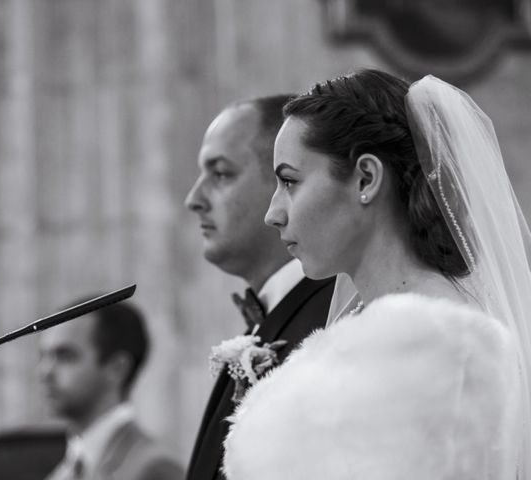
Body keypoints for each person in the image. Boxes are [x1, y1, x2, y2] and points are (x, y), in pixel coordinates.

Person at [222, 70, 531, 480]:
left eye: (290, 182)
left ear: (366, 178)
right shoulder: (360, 323)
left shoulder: (441, 344)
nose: (273, 213)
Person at [184, 96, 336, 480]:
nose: (194, 200)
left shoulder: (330, 325)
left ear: (283, 180)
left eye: (220, 174)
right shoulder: (271, 318)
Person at [38, 299, 184, 480]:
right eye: (44, 356)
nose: (44, 372)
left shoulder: (154, 468)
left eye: (66, 357)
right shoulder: (66, 469)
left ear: (117, 368)